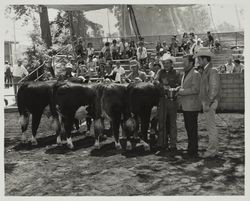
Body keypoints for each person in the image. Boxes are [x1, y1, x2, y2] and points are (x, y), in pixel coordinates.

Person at [195, 47, 220, 158]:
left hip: (209, 102)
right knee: (210, 127)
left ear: (205, 59)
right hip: (208, 102)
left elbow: (214, 89)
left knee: (211, 127)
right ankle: (212, 149)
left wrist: (208, 103)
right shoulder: (207, 70)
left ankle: (212, 151)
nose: (198, 61)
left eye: (199, 59)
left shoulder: (212, 71)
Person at [154, 53, 181, 155]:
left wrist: (175, 88)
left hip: (172, 100)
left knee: (172, 123)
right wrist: (162, 85)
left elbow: (179, 85)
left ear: (171, 63)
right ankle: (162, 143)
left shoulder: (176, 73)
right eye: (164, 63)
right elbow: (154, 81)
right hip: (162, 100)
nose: (165, 65)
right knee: (161, 122)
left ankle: (173, 144)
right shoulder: (160, 72)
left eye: (167, 63)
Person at [177, 54, 201, 158]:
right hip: (187, 105)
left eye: (185, 62)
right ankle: (191, 148)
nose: (183, 63)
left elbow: (195, 89)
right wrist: (180, 88)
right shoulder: (186, 73)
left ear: (191, 63)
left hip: (191, 106)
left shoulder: (195, 74)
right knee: (189, 127)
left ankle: (193, 150)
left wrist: (181, 91)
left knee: (192, 128)